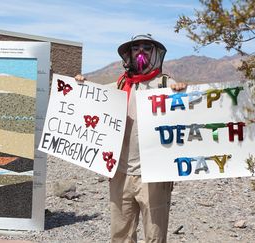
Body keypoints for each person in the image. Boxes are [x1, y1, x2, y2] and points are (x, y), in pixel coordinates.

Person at [76, 34, 186, 243]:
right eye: (136, 48)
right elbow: (93, 96)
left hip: (153, 175)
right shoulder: (120, 85)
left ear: (154, 53)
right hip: (121, 173)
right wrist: (81, 84)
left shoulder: (165, 84)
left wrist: (180, 91)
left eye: (146, 47)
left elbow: (185, 111)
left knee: (154, 235)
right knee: (121, 234)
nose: (141, 52)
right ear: (130, 54)